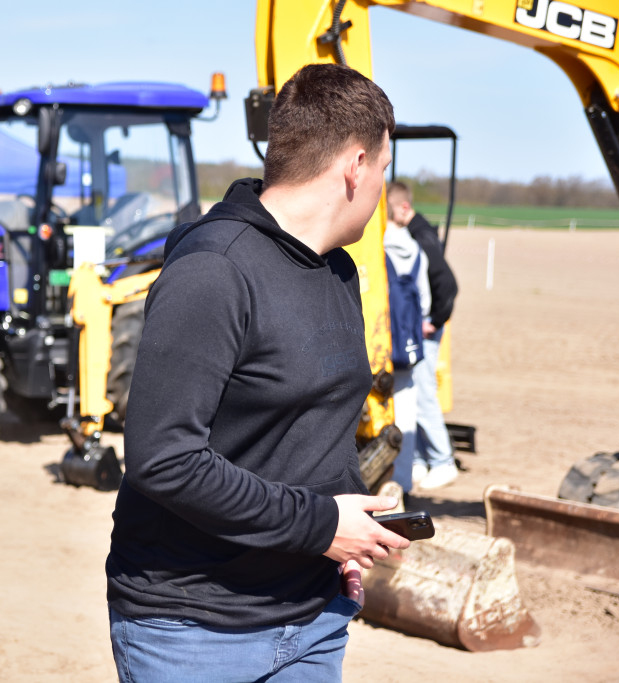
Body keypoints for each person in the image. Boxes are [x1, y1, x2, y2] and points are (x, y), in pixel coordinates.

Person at [105, 63, 411, 682]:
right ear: (355, 166)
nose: (383, 186)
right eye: (384, 167)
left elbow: (315, 432)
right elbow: (164, 459)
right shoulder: (213, 272)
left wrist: (350, 533)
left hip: (314, 615)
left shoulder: (337, 272)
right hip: (193, 629)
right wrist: (323, 525)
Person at [386, 181, 460, 490]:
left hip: (423, 326)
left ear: (402, 208)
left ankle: (443, 461)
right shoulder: (416, 234)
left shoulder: (421, 236)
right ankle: (416, 460)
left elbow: (448, 284)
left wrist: (434, 320)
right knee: (412, 395)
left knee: (424, 393)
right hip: (414, 323)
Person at [384, 217, 430, 496]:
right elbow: (424, 300)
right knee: (406, 411)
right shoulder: (416, 251)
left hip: (381, 343)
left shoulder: (378, 247)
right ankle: (402, 482)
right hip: (408, 346)